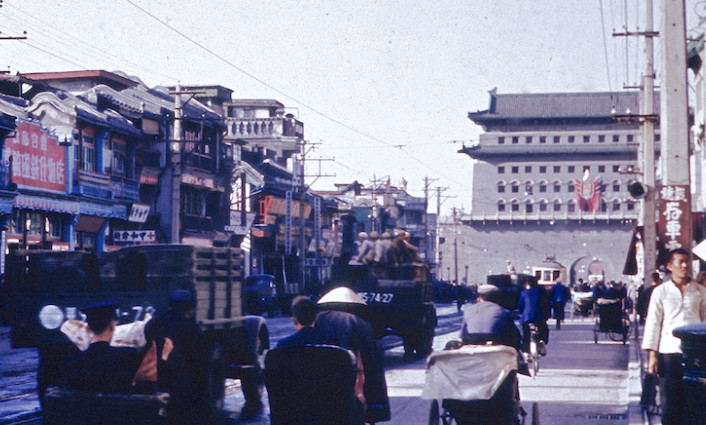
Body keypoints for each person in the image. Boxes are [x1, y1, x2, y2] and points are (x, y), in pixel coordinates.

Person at [642, 248, 706, 425]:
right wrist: (652, 356)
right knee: (670, 401)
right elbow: (653, 323)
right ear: (670, 266)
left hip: (695, 354)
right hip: (669, 352)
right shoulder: (660, 292)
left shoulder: (700, 291)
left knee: (694, 400)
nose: (684, 265)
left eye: (687, 261)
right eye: (680, 262)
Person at [317, 287, 390, 424]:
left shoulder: (314, 322)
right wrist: (376, 408)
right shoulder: (361, 324)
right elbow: (372, 367)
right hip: (349, 394)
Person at [63, 300, 171, 394]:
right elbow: (150, 385)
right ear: (113, 325)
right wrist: (165, 356)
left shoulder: (72, 362)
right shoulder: (129, 357)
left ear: (88, 328)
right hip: (121, 415)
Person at [144, 290, 215, 424]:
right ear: (191, 309)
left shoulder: (154, 322)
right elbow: (198, 358)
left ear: (169, 306)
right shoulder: (191, 327)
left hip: (156, 376)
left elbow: (148, 341)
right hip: (180, 379)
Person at [460, 284, 521, 351]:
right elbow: (515, 335)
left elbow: (462, 334)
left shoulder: (468, 311)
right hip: (496, 347)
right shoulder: (503, 311)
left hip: (473, 346)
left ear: (479, 298)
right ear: (497, 298)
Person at [517, 280, 550, 355]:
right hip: (539, 317)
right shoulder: (541, 293)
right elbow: (546, 305)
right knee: (544, 329)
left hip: (527, 317)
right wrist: (547, 316)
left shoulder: (523, 293)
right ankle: (542, 341)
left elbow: (520, 306)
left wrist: (522, 313)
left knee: (525, 333)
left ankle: (526, 351)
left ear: (527, 284)